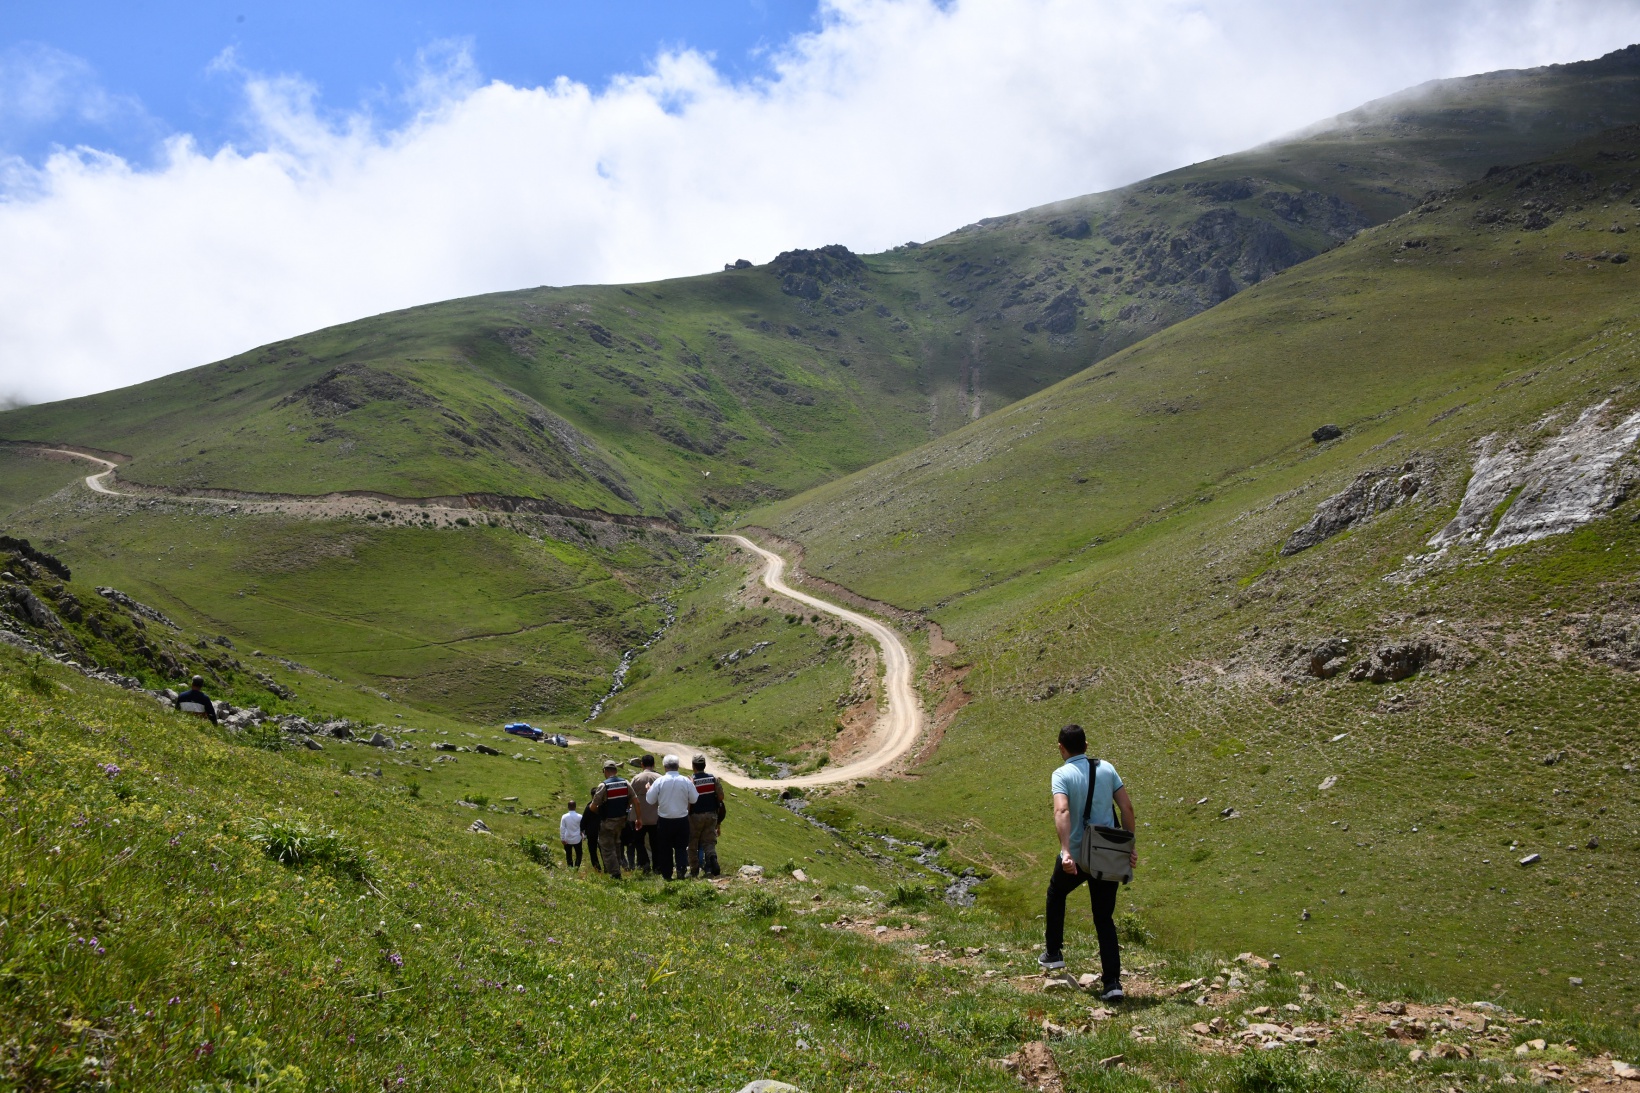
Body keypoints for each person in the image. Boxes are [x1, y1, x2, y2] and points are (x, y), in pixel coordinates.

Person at [1040, 723, 1136, 1003]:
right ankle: (1112, 984)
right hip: (1107, 855)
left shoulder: (1061, 774)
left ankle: (1054, 953)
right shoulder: (1107, 768)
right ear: (1086, 745)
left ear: (1061, 748)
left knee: (1056, 892)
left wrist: (1066, 850)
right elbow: (1126, 808)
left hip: (1080, 856)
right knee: (1104, 918)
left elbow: (1062, 809)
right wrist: (1129, 847)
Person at [644, 754, 698, 880]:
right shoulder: (685, 781)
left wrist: (649, 789)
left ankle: (667, 874)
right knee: (681, 847)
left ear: (664, 767)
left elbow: (650, 800)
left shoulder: (659, 781)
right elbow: (694, 799)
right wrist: (692, 785)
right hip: (682, 819)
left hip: (664, 820)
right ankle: (681, 871)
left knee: (665, 848)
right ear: (678, 766)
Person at [589, 761, 634, 879]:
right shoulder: (625, 783)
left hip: (608, 821)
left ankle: (615, 873)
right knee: (617, 844)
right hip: (621, 820)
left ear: (605, 770)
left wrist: (599, 811)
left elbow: (593, 806)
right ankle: (617, 867)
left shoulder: (604, 786)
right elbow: (633, 800)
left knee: (607, 847)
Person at [687, 754, 726, 877]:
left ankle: (694, 870)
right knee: (709, 842)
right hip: (711, 815)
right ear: (704, 765)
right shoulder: (712, 778)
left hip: (695, 816)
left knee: (693, 843)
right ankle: (713, 859)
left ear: (693, 766)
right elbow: (721, 796)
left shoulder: (691, 780)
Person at [629, 754, 661, 874]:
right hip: (655, 817)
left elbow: (630, 796)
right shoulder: (660, 778)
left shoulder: (636, 778)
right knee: (655, 843)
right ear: (653, 765)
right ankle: (657, 867)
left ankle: (644, 862)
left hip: (639, 817)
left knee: (638, 842)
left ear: (642, 764)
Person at [580, 790, 602, 872]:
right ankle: (607, 868)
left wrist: (582, 830)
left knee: (593, 851)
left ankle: (597, 868)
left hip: (592, 832)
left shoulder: (589, 807)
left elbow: (584, 820)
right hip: (602, 831)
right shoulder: (603, 805)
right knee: (604, 850)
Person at [559, 799, 584, 868]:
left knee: (568, 854)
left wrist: (562, 838)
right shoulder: (580, 816)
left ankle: (570, 867)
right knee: (579, 854)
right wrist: (584, 836)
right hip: (577, 838)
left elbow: (562, 828)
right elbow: (582, 828)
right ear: (575, 807)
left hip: (567, 838)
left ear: (568, 807)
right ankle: (576, 867)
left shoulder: (564, 817)